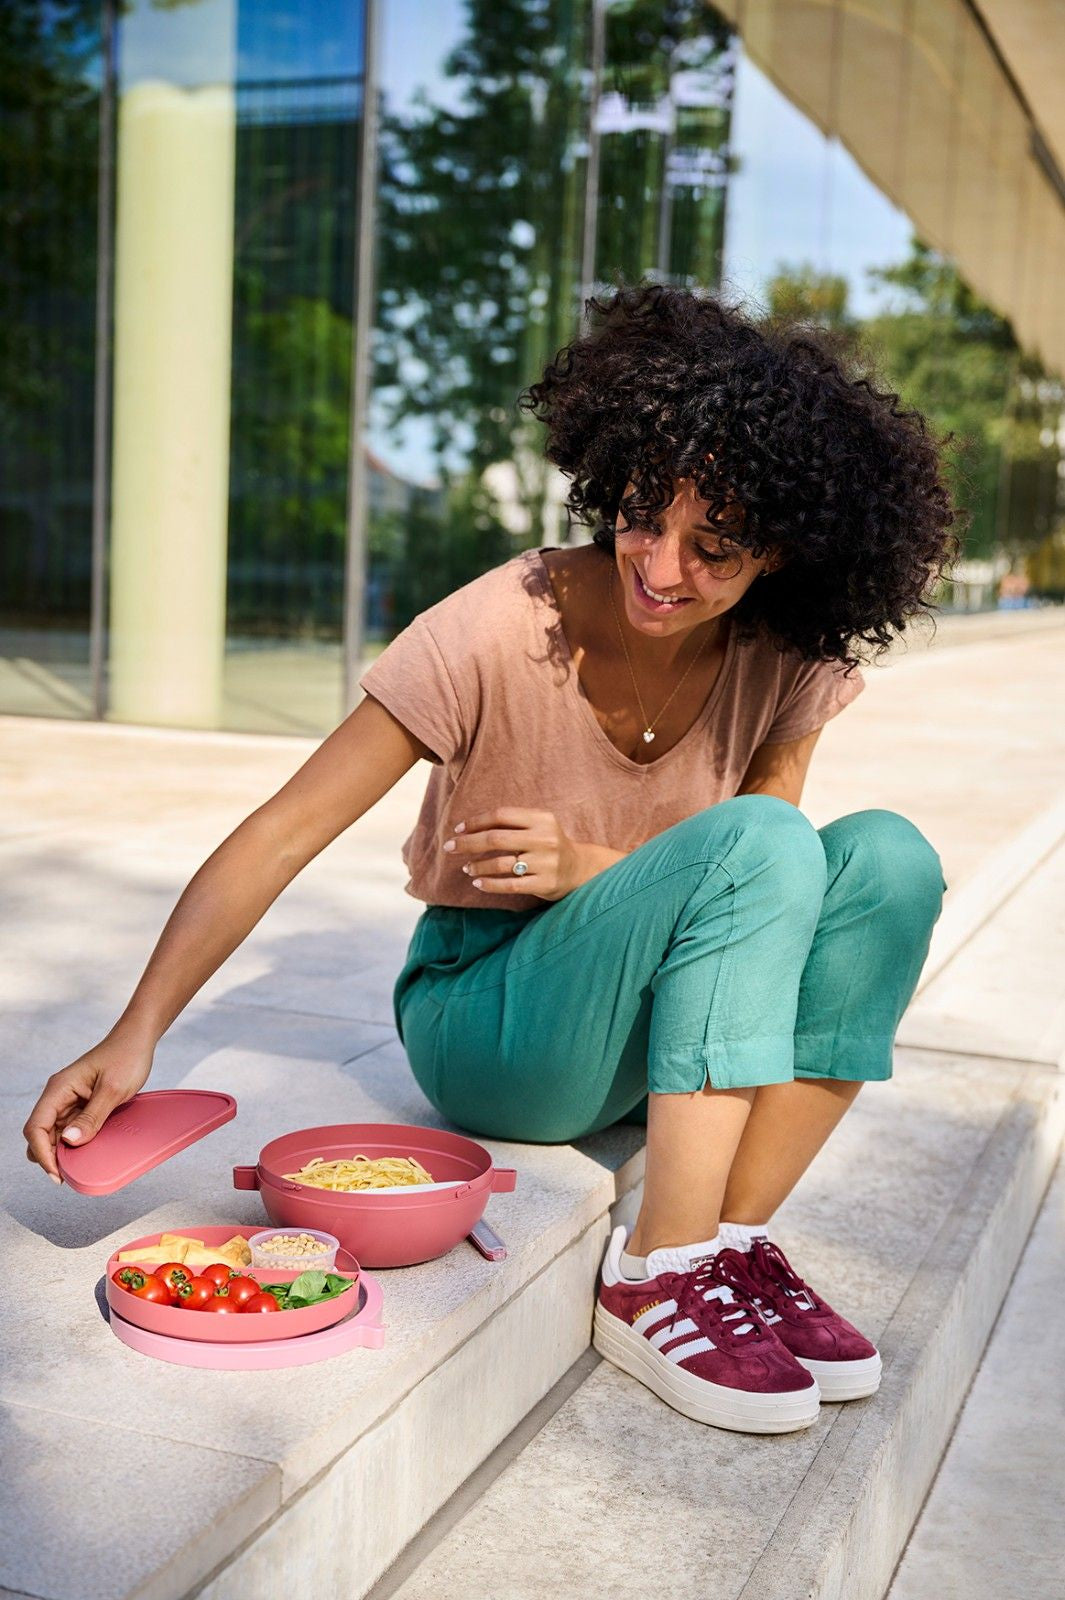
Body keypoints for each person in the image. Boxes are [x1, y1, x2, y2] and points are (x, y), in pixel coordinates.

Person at [25, 283, 956, 1436]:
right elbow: (282, 829)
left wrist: (593, 864)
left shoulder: (790, 653)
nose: (661, 566)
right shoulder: (500, 624)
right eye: (641, 516)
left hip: (661, 1010)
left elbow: (775, 885)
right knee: (767, 843)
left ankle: (726, 1243)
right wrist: (136, 1031)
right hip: (492, 1018)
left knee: (890, 860)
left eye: (712, 549)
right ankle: (656, 1269)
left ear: (780, 551)